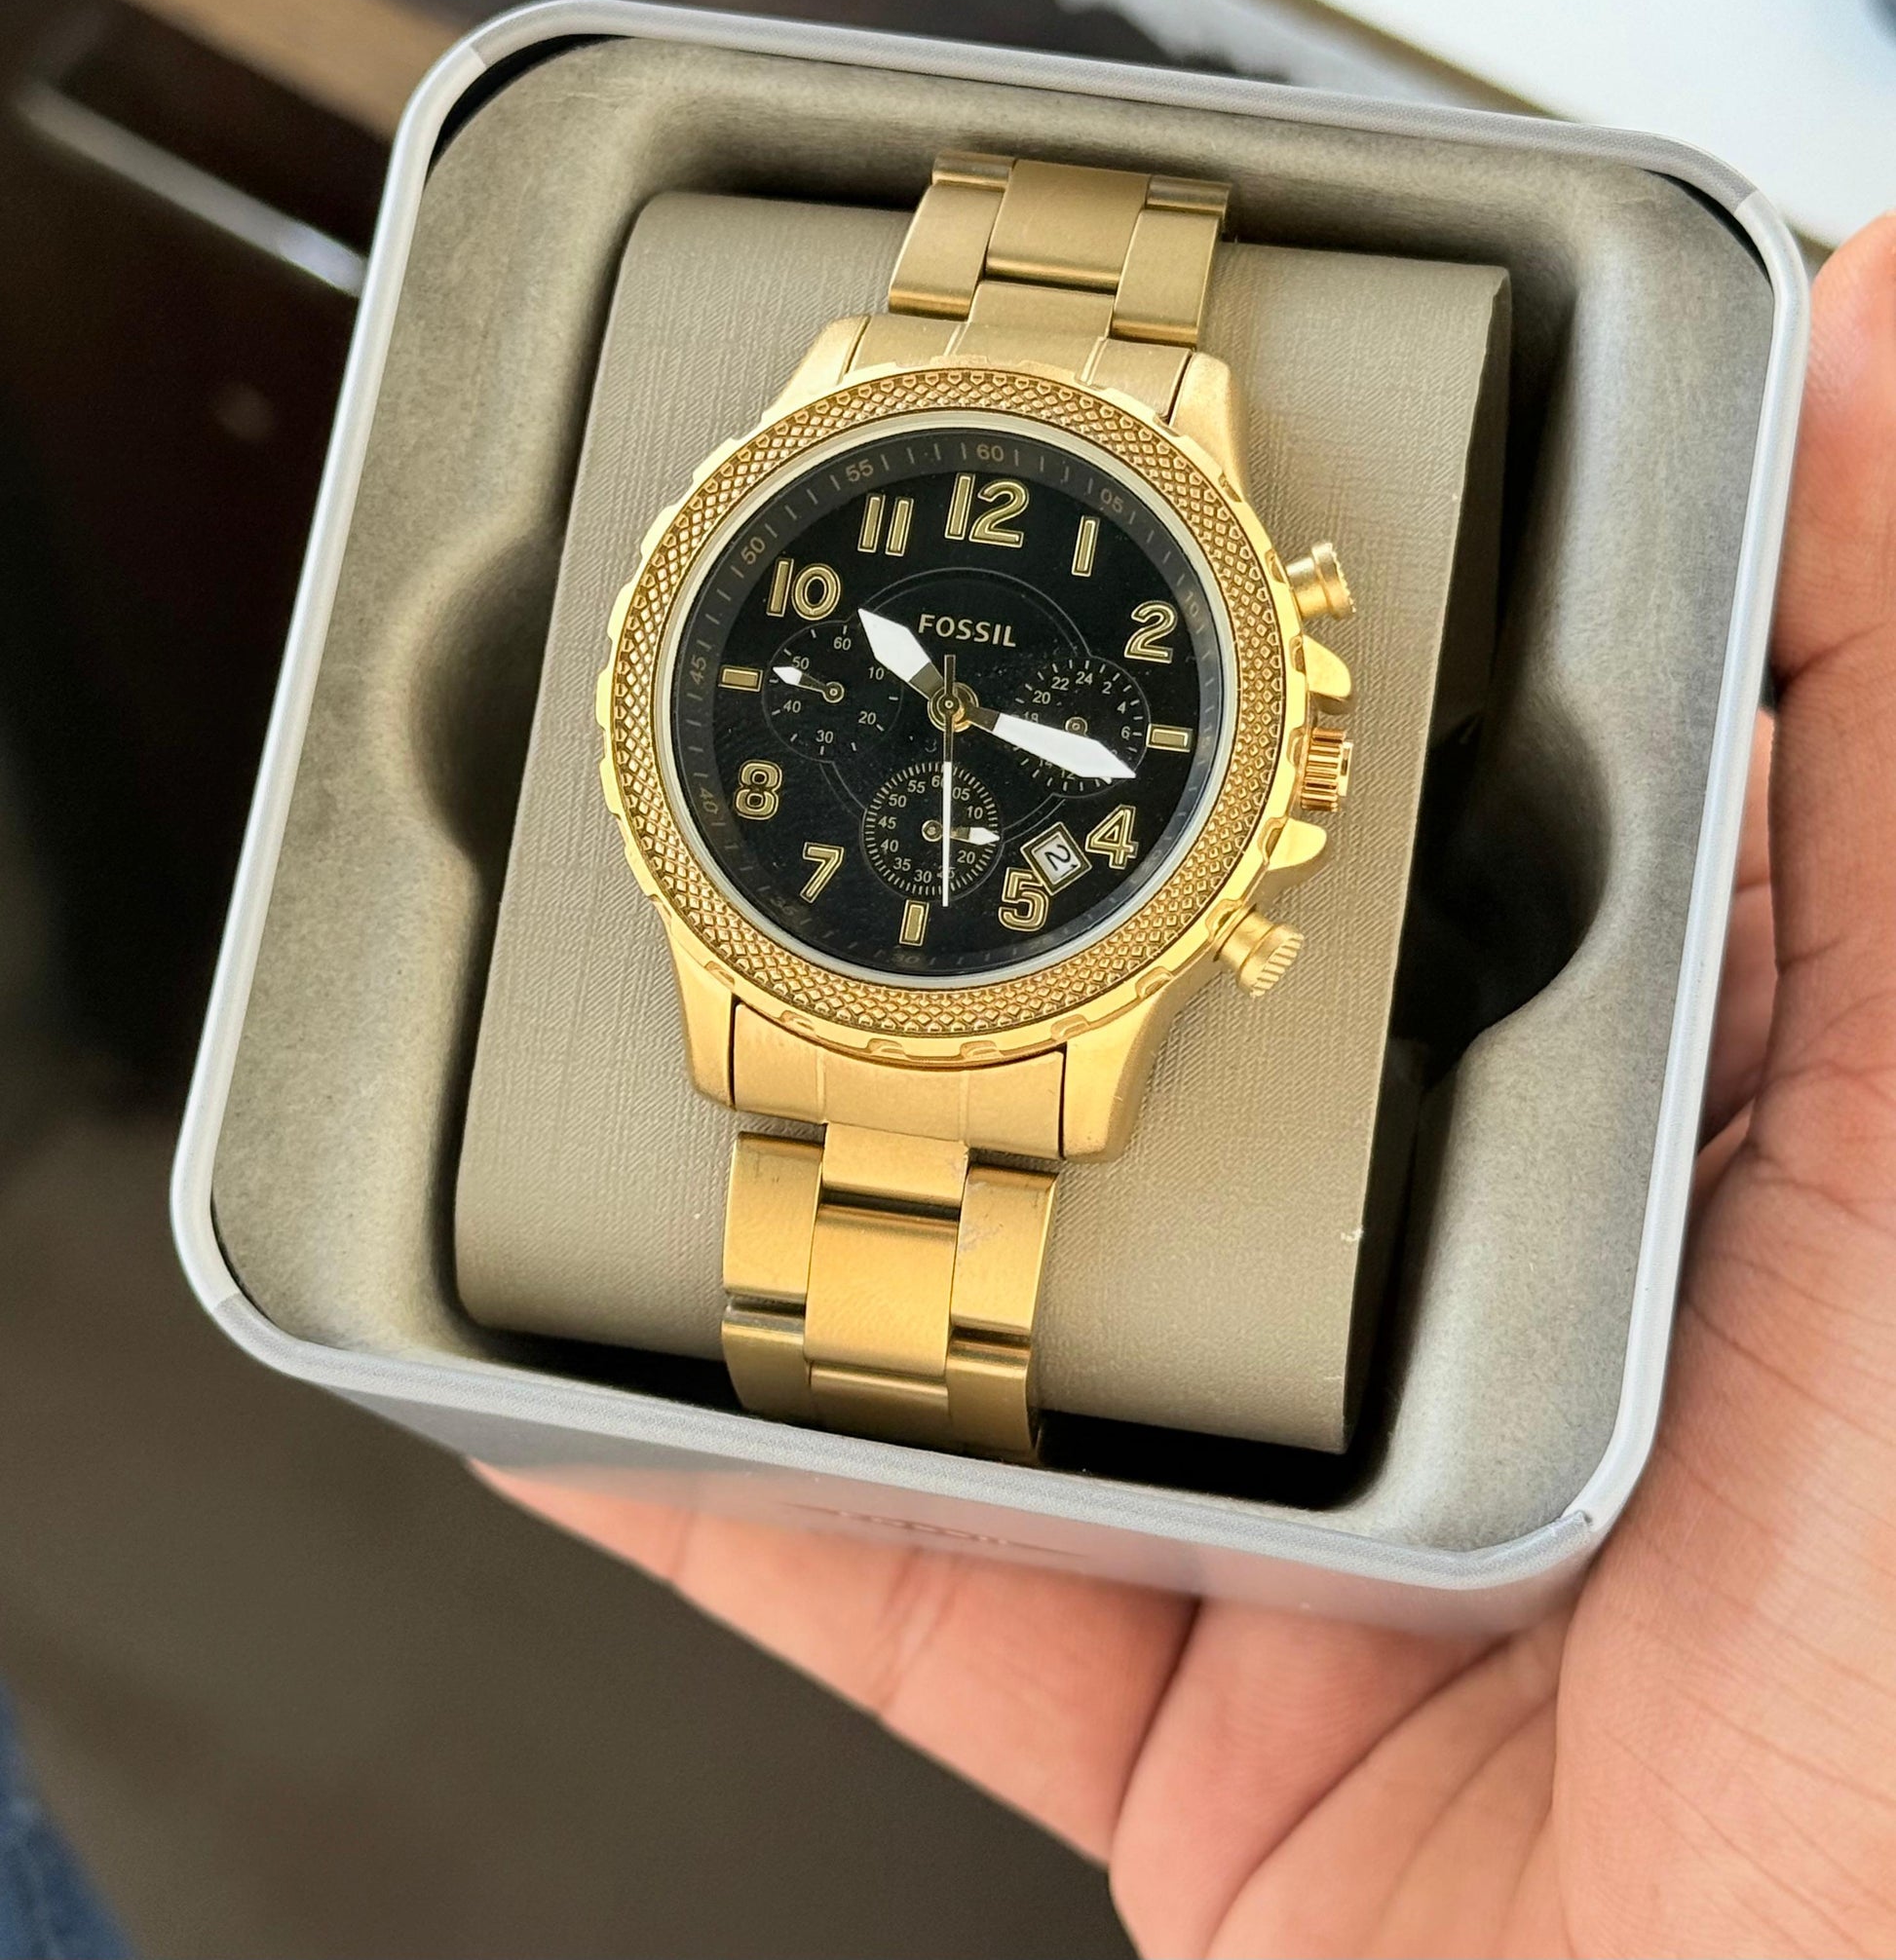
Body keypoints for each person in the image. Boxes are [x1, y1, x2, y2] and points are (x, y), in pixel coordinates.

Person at [480, 212, 1896, 1958]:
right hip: (777, 947)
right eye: (925, 687)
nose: (946, 716)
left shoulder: (1227, 689)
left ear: (1298, 757)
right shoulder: (812, 544)